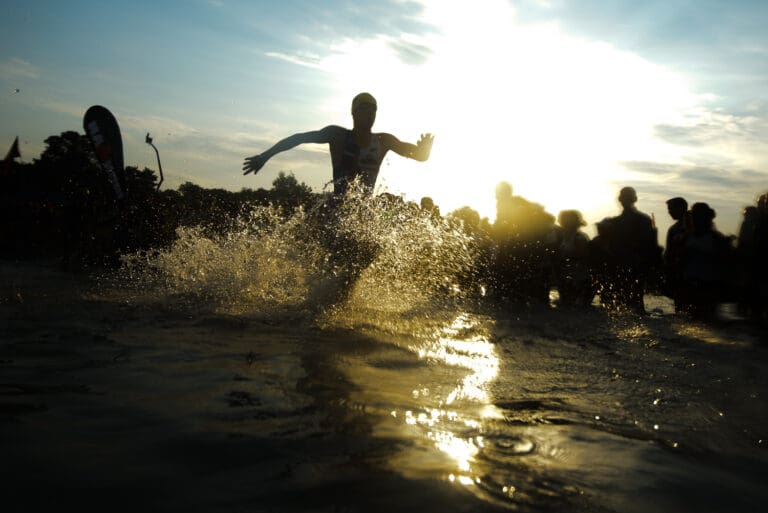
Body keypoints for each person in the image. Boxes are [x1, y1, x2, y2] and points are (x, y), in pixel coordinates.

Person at [243, 92, 434, 197]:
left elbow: (420, 157)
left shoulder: (384, 141)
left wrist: (426, 149)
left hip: (364, 215)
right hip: (338, 210)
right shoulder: (338, 136)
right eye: (364, 108)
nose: (369, 113)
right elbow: (298, 138)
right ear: (353, 113)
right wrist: (264, 156)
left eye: (373, 110)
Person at [604, 187, 661, 313]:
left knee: (633, 299)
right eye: (623, 197)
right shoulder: (615, 222)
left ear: (633, 199)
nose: (625, 200)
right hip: (620, 263)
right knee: (621, 301)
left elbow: (650, 245)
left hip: (635, 264)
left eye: (627, 197)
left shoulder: (642, 220)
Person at [663, 197, 688, 309]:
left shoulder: (675, 229)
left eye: (671, 209)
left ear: (681, 208)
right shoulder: (674, 228)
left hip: (682, 273)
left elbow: (669, 253)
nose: (669, 212)